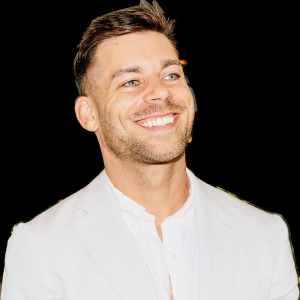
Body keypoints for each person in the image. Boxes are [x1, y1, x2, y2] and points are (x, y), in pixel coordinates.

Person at [1, 1, 299, 299]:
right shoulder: (40, 246)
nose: (159, 92)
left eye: (171, 75)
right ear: (88, 114)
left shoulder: (265, 235)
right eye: (131, 81)